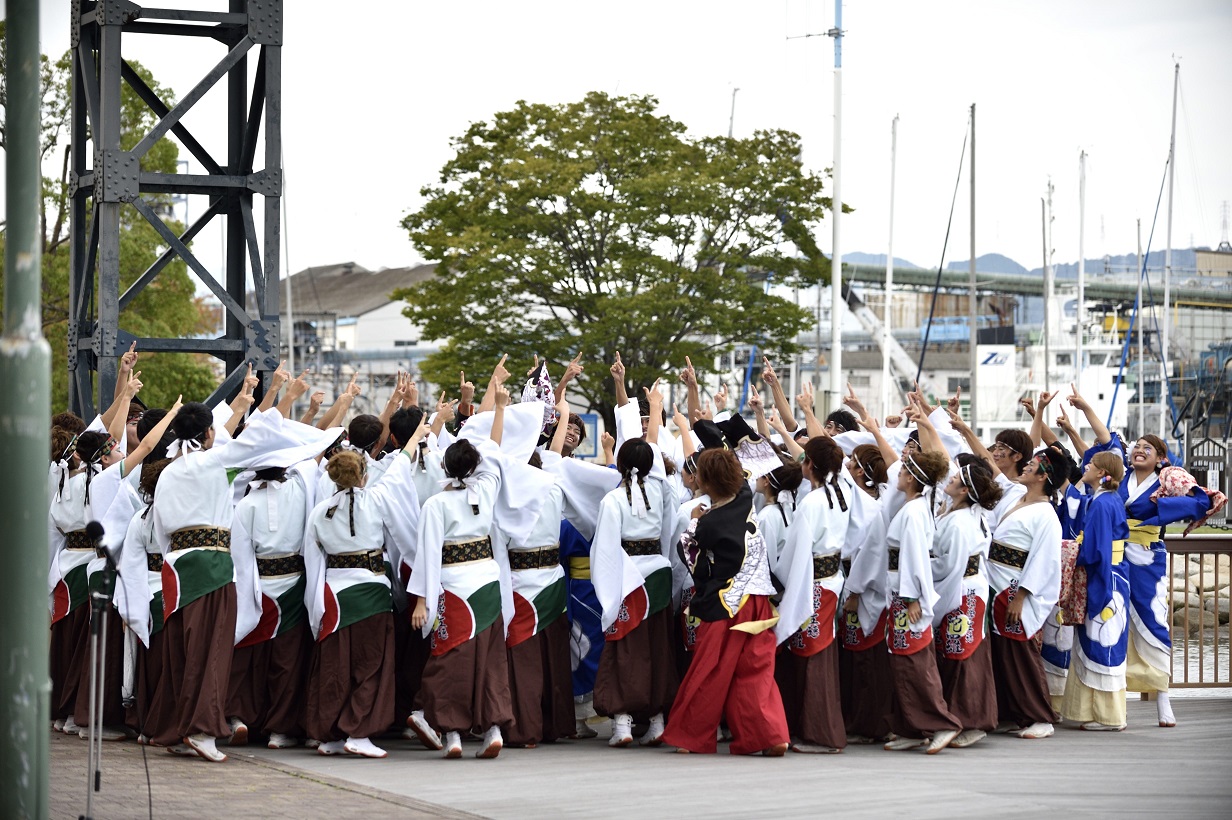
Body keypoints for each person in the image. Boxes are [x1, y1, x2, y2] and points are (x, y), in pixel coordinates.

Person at [305, 412, 428, 758]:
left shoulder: (319, 512)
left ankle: (328, 734)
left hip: (332, 595)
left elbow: (313, 563)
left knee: (333, 666)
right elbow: (401, 464)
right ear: (363, 475)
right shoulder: (377, 498)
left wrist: (315, 608)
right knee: (371, 665)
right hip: (372, 593)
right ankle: (358, 732)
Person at [662, 449, 788, 756]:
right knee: (755, 671)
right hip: (759, 599)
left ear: (705, 481)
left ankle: (693, 736)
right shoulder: (745, 498)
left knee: (711, 670)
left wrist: (692, 523)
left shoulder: (709, 523)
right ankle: (770, 735)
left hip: (727, 604)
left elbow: (691, 557)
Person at [410, 384, 513, 759]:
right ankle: (494, 728)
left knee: (450, 659)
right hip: (486, 581)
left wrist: (422, 600)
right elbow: (493, 452)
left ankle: (452, 732)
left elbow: (427, 555)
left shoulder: (436, 504)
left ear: (445, 467)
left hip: (451, 588)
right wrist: (499, 408)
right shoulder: (487, 487)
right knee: (489, 659)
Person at [589, 384, 678, 748]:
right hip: (657, 572)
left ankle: (623, 723)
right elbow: (671, 533)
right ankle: (656, 720)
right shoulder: (663, 490)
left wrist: (608, 590)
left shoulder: (613, 498)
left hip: (627, 577)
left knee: (624, 648)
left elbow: (606, 548)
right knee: (657, 648)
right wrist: (654, 408)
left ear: (621, 465)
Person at [1118, 434, 1211, 728]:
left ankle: (1162, 696)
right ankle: (1115, 700)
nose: (1139, 451)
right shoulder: (1120, 476)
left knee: (1154, 621)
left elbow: (1201, 501)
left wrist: (1160, 514)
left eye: (1148, 448)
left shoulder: (1167, 479)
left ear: (1160, 458)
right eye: (1137, 446)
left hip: (1148, 557)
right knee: (1114, 621)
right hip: (1116, 555)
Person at [774, 436, 852, 754]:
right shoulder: (842, 492)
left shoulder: (811, 501)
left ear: (810, 465)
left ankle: (821, 732)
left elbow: (794, 552)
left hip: (814, 583)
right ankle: (819, 728)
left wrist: (778, 579)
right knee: (819, 654)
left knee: (812, 655)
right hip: (832, 578)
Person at [881, 449, 962, 754]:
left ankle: (941, 722)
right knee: (903, 662)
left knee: (915, 663)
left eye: (902, 471)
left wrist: (912, 596)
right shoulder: (914, 508)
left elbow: (914, 556)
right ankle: (911, 726)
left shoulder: (914, 512)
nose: (898, 475)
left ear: (912, 478)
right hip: (900, 592)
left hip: (907, 595)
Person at [987, 446, 1070, 739]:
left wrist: (1022, 596)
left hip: (1013, 587)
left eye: (1032, 465)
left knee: (1019, 651)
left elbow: (1044, 560)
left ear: (1042, 476)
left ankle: (1040, 715)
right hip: (995, 579)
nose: (1025, 468)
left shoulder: (1046, 514)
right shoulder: (1017, 498)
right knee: (1001, 652)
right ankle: (1011, 712)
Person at [932, 459, 1003, 749]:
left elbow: (951, 565)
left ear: (963, 490)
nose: (949, 479)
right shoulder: (960, 515)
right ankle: (965, 717)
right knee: (960, 653)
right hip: (968, 587)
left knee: (962, 655)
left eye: (956, 478)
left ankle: (971, 720)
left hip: (960, 589)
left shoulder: (961, 522)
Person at [1061, 451, 1131, 731]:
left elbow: (1097, 549)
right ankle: (1095, 711)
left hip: (1104, 575)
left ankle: (1108, 716)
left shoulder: (1101, 504)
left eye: (1090, 465)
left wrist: (1072, 555)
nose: (1085, 467)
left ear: (1103, 473)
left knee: (1102, 641)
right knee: (1100, 641)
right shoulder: (1105, 500)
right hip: (1114, 573)